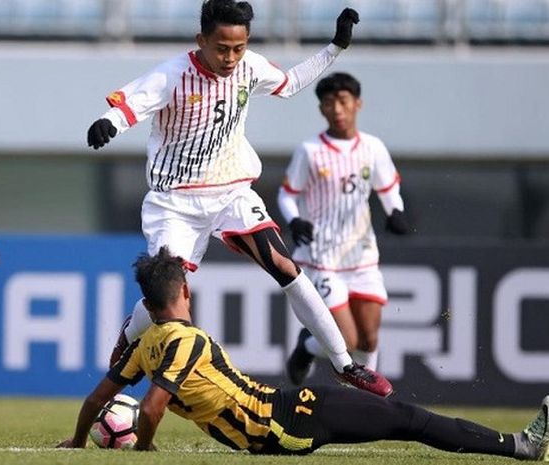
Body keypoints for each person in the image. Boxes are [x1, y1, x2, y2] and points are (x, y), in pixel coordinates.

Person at [86, 0, 393, 397]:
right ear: (201, 40)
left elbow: (291, 82)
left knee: (283, 264)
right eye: (221, 48)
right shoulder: (173, 75)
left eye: (238, 48)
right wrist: (108, 123)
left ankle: (345, 364)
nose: (230, 57)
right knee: (167, 303)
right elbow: (133, 105)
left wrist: (335, 47)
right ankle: (128, 343)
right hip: (174, 203)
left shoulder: (251, 67)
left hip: (231, 191)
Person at [58, 247, 548, 460]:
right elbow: (152, 407)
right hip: (282, 421)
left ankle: (516, 446)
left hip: (280, 414)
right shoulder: (189, 341)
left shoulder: (144, 345)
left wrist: (80, 440)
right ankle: (520, 447)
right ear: (184, 288)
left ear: (147, 301)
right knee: (405, 418)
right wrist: (143, 448)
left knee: (394, 418)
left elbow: (97, 398)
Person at [278, 72, 410, 385]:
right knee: (346, 341)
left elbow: (388, 188)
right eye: (328, 103)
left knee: (369, 339)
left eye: (342, 101)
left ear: (357, 104)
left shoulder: (373, 148)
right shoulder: (310, 151)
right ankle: (307, 346)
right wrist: (294, 219)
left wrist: (395, 212)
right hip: (321, 258)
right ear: (321, 109)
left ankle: (366, 402)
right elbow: (287, 194)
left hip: (362, 255)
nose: (336, 109)